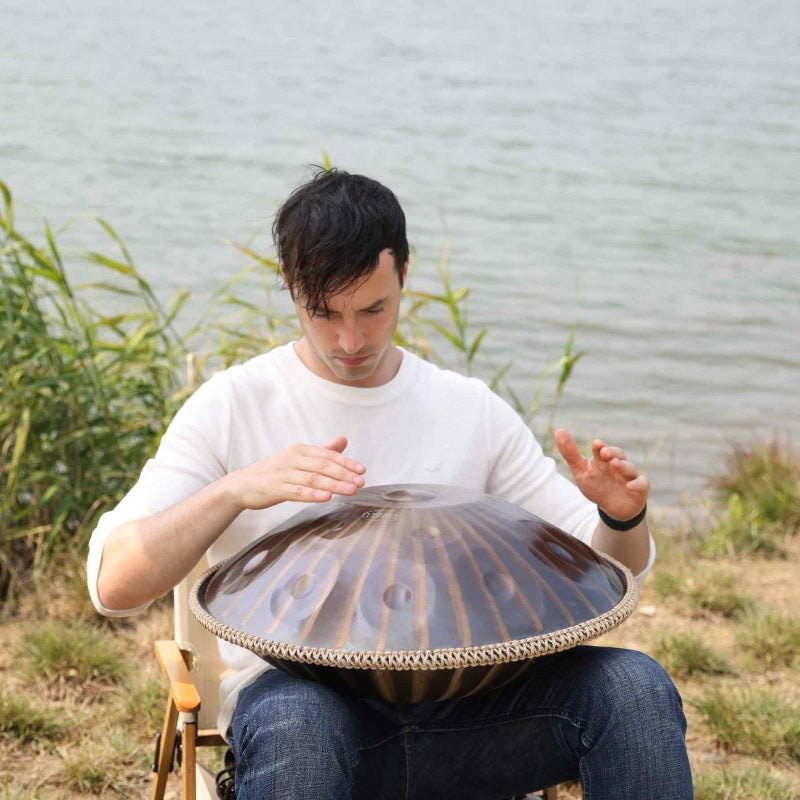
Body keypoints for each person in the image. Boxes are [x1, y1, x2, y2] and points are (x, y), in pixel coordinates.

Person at [87, 168, 692, 799]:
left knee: (633, 688)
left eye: (374, 308)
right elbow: (112, 584)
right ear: (291, 289)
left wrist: (621, 518)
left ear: (403, 273)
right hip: (310, 716)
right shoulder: (233, 406)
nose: (351, 341)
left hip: (475, 709)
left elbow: (604, 572)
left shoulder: (468, 410)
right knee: (298, 723)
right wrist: (234, 490)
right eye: (324, 314)